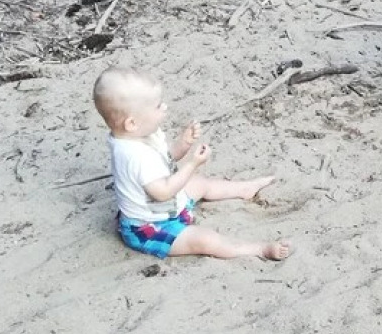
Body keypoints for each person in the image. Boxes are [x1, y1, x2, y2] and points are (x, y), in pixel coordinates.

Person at [92, 67, 291, 260]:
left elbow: (166, 157)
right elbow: (162, 192)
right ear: (132, 123)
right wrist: (192, 164)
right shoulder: (133, 155)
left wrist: (183, 143)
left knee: (199, 183)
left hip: (169, 206)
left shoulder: (140, 134)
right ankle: (259, 249)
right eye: (157, 106)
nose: (165, 107)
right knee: (205, 240)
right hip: (151, 226)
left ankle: (244, 189)